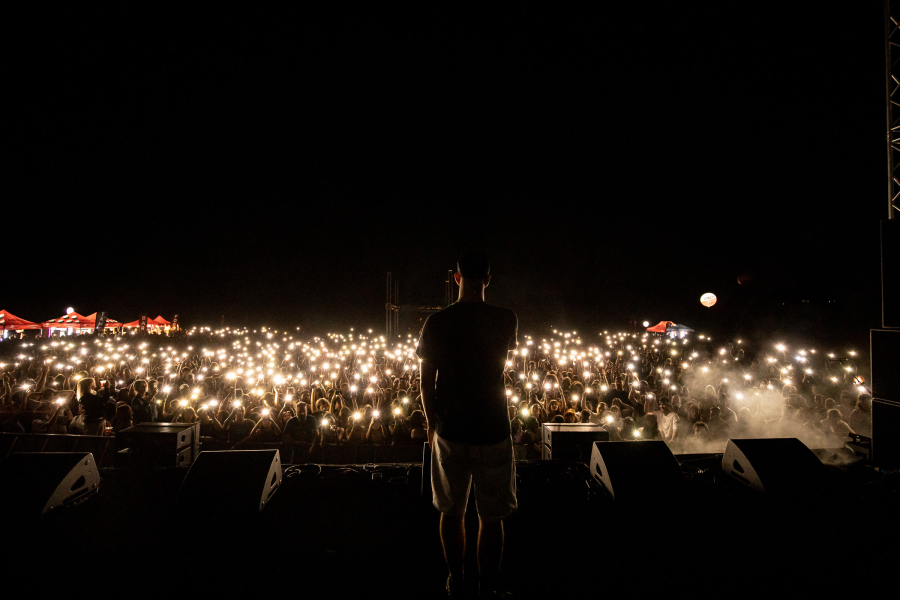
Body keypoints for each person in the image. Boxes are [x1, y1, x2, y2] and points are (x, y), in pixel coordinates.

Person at [416, 251, 517, 599]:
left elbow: (426, 383)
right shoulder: (506, 319)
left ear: (456, 278)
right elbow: (498, 364)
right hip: (493, 428)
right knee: (492, 517)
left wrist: (431, 425)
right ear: (487, 279)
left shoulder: (436, 322)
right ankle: (488, 587)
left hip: (451, 430)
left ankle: (457, 580)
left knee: (451, 511)